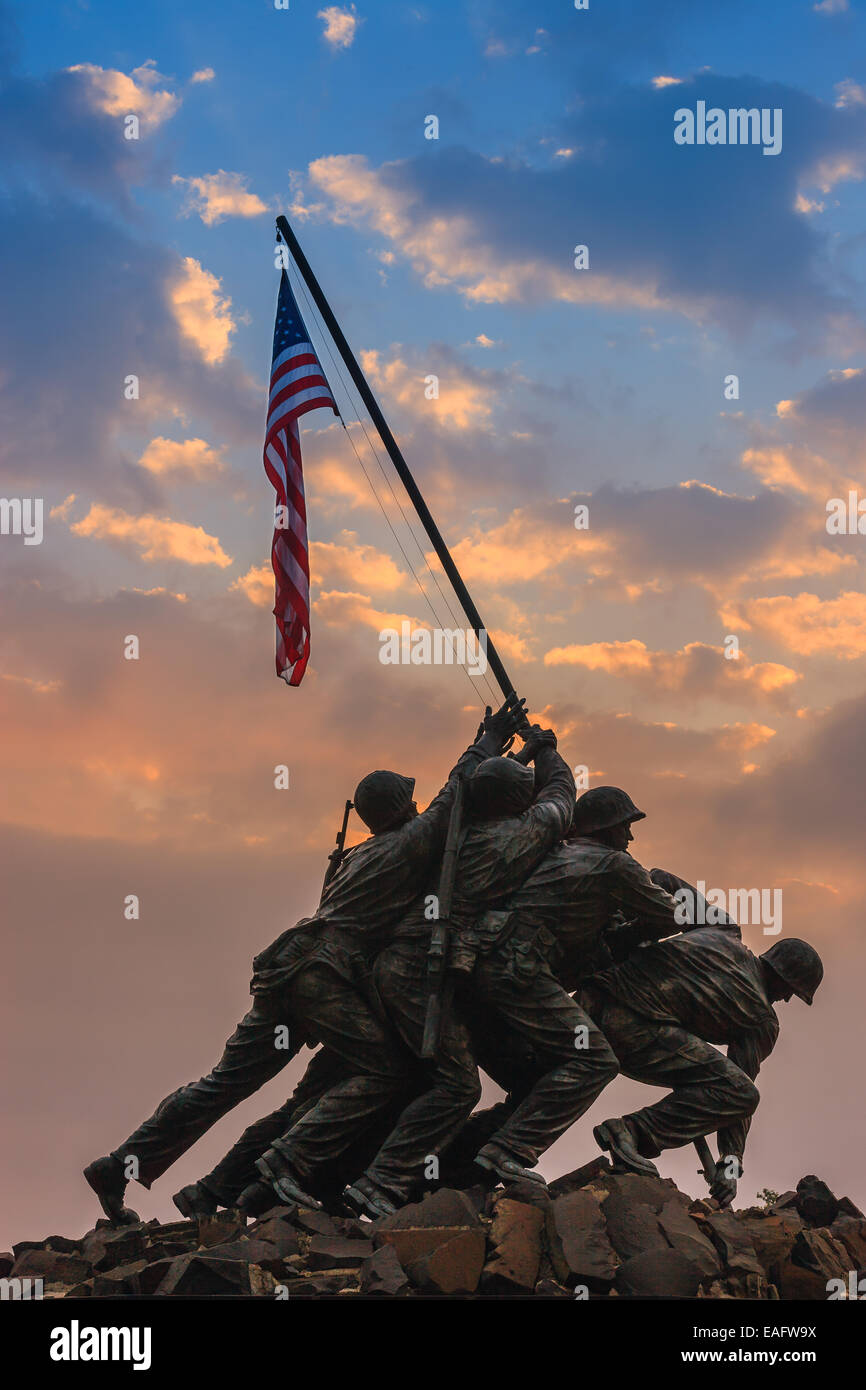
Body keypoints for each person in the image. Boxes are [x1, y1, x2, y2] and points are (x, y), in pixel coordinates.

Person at [83, 695, 525, 1223]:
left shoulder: (363, 851)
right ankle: (286, 1163)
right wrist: (490, 740)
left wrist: (497, 761)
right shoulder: (409, 842)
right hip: (325, 975)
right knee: (384, 1069)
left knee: (223, 1083)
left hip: (289, 966)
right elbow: (454, 799)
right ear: (403, 807)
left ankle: (120, 1165)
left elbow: (457, 805)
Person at [583, 930, 824, 1207]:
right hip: (629, 1027)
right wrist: (730, 1167)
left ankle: (519, 1149)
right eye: (791, 991)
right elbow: (738, 1095)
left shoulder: (722, 936)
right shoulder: (761, 1018)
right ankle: (630, 1131)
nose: (787, 999)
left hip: (587, 1001)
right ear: (783, 978)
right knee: (741, 1093)